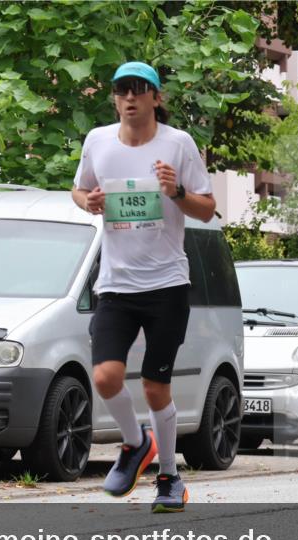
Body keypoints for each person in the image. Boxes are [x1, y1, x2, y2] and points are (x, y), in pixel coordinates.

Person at [72, 61, 216, 511]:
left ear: (157, 97)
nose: (130, 98)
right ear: (114, 98)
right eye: (121, 90)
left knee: (156, 388)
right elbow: (77, 191)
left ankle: (169, 477)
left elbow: (207, 209)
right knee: (105, 376)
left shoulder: (178, 144)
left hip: (168, 285)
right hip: (115, 285)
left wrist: (176, 194)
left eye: (140, 90)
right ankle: (135, 445)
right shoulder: (98, 141)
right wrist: (89, 201)